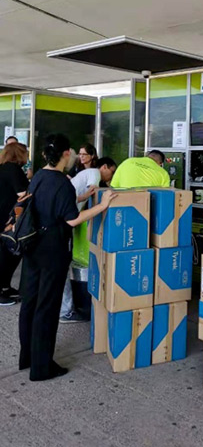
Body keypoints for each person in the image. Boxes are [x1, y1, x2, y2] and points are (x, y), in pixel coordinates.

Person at [19, 134, 117, 381]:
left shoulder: (39, 176)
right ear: (66, 154)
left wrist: (82, 197)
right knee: (47, 307)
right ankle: (42, 367)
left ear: (45, 155)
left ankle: (27, 358)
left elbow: (53, 204)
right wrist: (102, 205)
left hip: (32, 246)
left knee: (30, 302)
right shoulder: (62, 182)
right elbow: (72, 219)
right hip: (53, 249)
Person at [59, 156, 117, 323]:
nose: (111, 176)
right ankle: (65, 311)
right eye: (111, 171)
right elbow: (94, 192)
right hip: (65, 224)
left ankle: (63, 308)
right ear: (104, 167)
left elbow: (82, 196)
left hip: (63, 222)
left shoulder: (84, 174)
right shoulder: (94, 173)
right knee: (62, 268)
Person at [0, 143, 29, 305]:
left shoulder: (4, 168)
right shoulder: (13, 169)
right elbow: (23, 194)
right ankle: (1, 290)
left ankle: (5, 287)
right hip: (5, 217)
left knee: (8, 254)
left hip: (3, 215)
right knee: (8, 255)